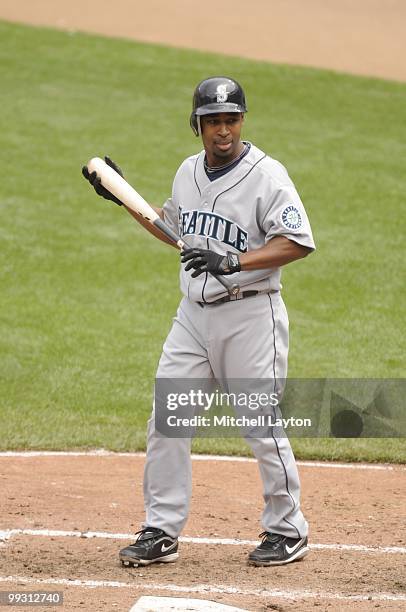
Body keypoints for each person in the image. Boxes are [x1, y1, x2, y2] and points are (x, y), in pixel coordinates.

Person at [82, 76, 315, 567]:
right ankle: (161, 530)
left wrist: (234, 262)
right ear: (198, 125)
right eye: (213, 121)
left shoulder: (268, 176)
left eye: (231, 119)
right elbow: (175, 231)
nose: (223, 130)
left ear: (242, 121)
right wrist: (125, 201)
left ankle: (287, 528)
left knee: (259, 423)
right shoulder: (188, 172)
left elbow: (296, 241)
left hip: (251, 315)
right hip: (192, 318)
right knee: (167, 420)